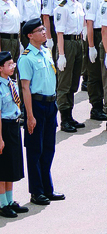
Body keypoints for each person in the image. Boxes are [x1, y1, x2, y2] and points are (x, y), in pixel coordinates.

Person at [16, 20, 54, 206]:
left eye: (44, 29)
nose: (44, 32)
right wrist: (29, 115)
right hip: (36, 105)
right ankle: (36, 191)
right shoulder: (26, 58)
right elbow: (25, 88)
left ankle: (48, 187)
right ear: (30, 35)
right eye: (40, 30)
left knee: (49, 148)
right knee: (35, 150)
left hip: (50, 104)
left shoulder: (46, 52)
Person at [0, 48, 21, 217]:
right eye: (9, 64)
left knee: (12, 166)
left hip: (14, 126)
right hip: (3, 128)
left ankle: (9, 200)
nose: (13, 66)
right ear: (0, 68)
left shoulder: (11, 83)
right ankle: (2, 204)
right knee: (2, 169)